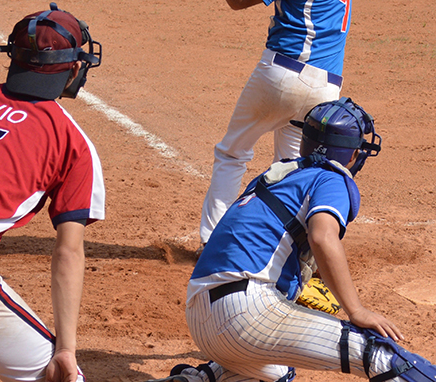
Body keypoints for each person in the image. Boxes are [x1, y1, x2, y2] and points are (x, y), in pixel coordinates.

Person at [145, 98, 436, 382]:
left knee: (276, 371)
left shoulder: (275, 176)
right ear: (351, 154)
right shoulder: (331, 178)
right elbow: (322, 236)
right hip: (247, 312)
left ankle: (201, 377)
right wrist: (356, 310)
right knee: (379, 354)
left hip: (201, 315)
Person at [188, 0, 354, 246]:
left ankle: (213, 242)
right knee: (295, 169)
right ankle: (288, 247)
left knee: (233, 152)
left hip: (281, 77)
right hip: (326, 90)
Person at [0, 2, 105, 382]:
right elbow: (68, 251)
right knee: (58, 377)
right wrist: (65, 348)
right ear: (76, 68)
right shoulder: (71, 142)